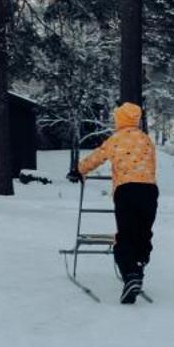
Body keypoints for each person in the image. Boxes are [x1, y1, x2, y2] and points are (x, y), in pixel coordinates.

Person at [70, 102, 158, 303]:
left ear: (120, 120)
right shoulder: (146, 140)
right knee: (143, 234)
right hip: (149, 191)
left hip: (126, 190)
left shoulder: (115, 139)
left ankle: (130, 275)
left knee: (125, 236)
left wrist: (79, 170)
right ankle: (138, 269)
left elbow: (97, 157)